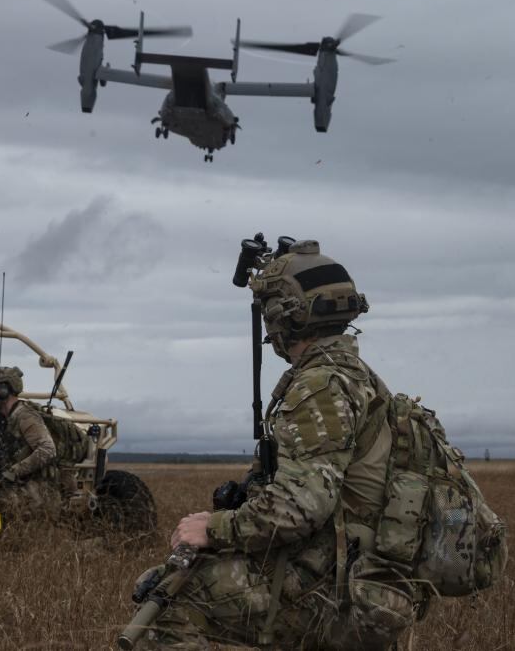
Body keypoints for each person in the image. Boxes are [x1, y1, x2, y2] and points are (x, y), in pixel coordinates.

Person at [128, 239, 419, 650]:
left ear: (284, 318)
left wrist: (213, 528)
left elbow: (300, 507)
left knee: (167, 604)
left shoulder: (320, 386)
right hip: (361, 579)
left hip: (335, 591)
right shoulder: (357, 376)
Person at [0, 366, 61, 534]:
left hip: (41, 488)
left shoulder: (25, 416)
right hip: (25, 484)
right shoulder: (5, 418)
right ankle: (2, 538)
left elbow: (48, 450)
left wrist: (14, 471)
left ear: (2, 391)